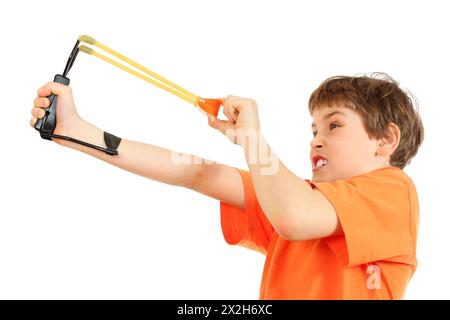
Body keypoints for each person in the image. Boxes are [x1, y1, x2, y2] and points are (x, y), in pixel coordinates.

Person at [30, 72, 424, 299]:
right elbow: (198, 172)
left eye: (334, 125)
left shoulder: (393, 191)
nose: (315, 140)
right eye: (314, 129)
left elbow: (295, 217)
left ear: (385, 140)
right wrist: (80, 132)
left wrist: (253, 138)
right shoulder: (296, 195)